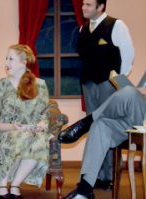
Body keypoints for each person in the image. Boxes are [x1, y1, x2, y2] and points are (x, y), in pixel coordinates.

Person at [76, 0, 134, 187]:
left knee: (107, 127)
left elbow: (128, 54)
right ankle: (97, 176)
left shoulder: (116, 25)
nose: (84, 7)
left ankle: (109, 176)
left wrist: (118, 82)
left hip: (109, 85)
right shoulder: (82, 29)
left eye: (88, 4)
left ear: (100, 7)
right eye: (83, 4)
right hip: (88, 85)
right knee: (94, 129)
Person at [59, 85, 146, 199]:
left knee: (130, 92)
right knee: (100, 125)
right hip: (139, 118)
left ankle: (86, 122)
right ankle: (84, 191)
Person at [0, 44, 51, 199]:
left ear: (24, 62)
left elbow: (44, 113)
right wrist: (10, 126)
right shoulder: (1, 84)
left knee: (39, 141)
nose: (6, 63)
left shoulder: (40, 85)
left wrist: (42, 124)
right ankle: (2, 185)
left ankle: (15, 184)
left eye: (11, 59)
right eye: (6, 59)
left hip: (30, 131)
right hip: (5, 129)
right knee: (14, 136)